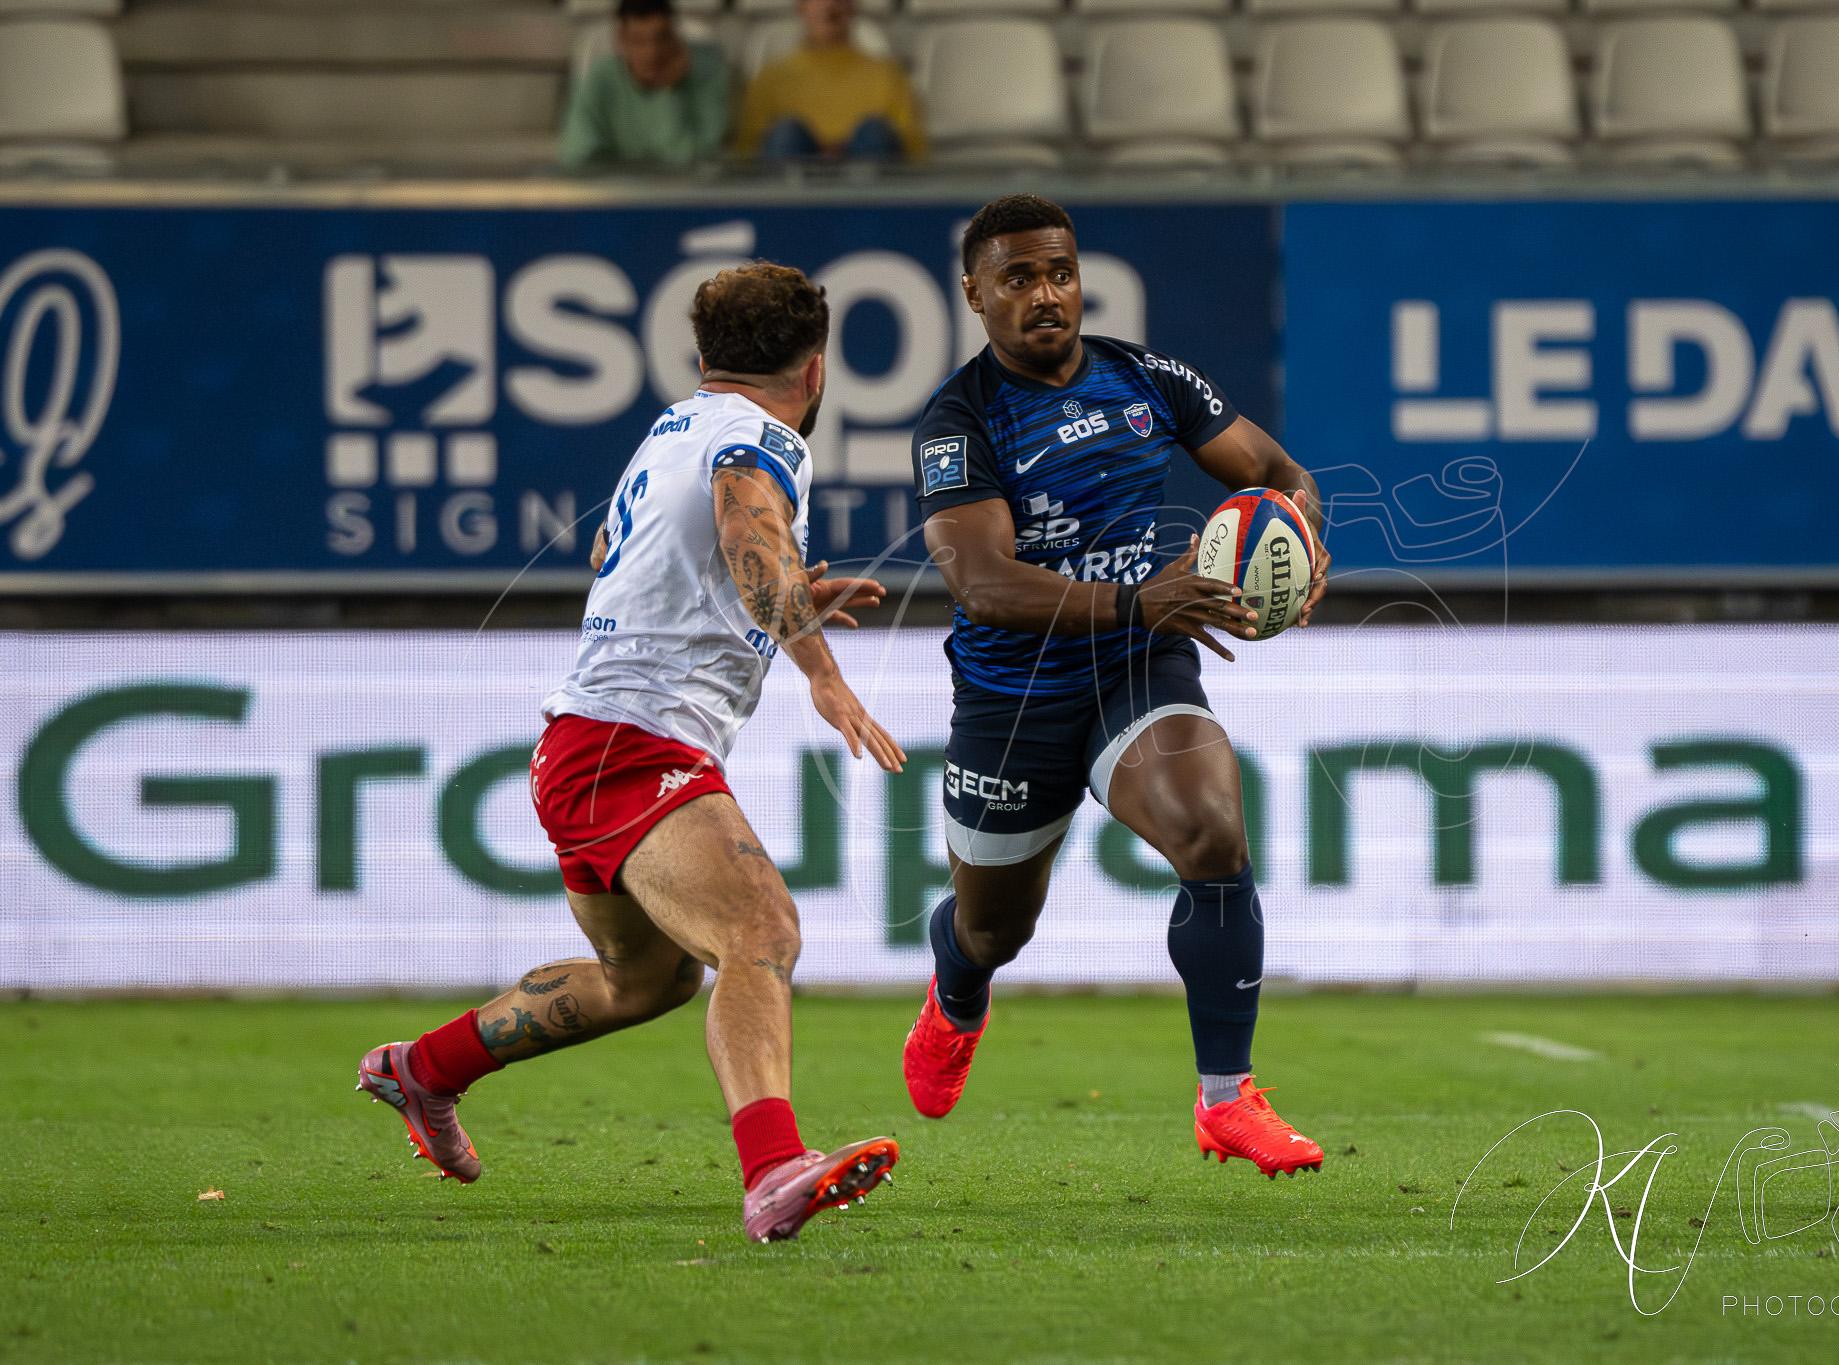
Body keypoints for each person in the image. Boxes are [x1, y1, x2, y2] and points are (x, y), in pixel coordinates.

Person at [356, 262, 910, 1245]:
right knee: (760, 932)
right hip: (632, 741)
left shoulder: (672, 429)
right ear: (816, 370)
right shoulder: (759, 435)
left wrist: (771, 599)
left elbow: (628, 560)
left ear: (703, 358)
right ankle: (775, 1169)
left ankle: (425, 1069)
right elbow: (750, 529)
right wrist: (817, 665)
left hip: (583, 742)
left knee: (645, 979)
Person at [901, 195, 1332, 1179]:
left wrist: (1301, 545)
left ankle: (1226, 1097)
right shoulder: (957, 422)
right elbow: (981, 581)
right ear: (974, 294)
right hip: (1012, 704)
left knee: (1210, 831)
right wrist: (1140, 600)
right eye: (1016, 278)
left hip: (1139, 667)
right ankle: (956, 989)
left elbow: (1272, 469)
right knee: (992, 925)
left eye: (1057, 272)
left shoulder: (1146, 378)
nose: (1044, 294)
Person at [735, 0, 926, 164]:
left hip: (866, 184)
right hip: (795, 186)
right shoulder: (771, 78)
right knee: (786, 135)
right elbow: (747, 152)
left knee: (874, 133)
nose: (829, 6)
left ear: (853, 7)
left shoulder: (888, 75)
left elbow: (914, 151)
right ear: (801, 7)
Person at [560, 0, 728, 169]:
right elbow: (577, 154)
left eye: (661, 38)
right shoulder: (600, 79)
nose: (652, 53)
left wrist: (668, 89)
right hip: (615, 188)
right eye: (638, 41)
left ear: (675, 36)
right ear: (621, 40)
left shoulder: (707, 76)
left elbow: (700, 160)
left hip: (685, 191)